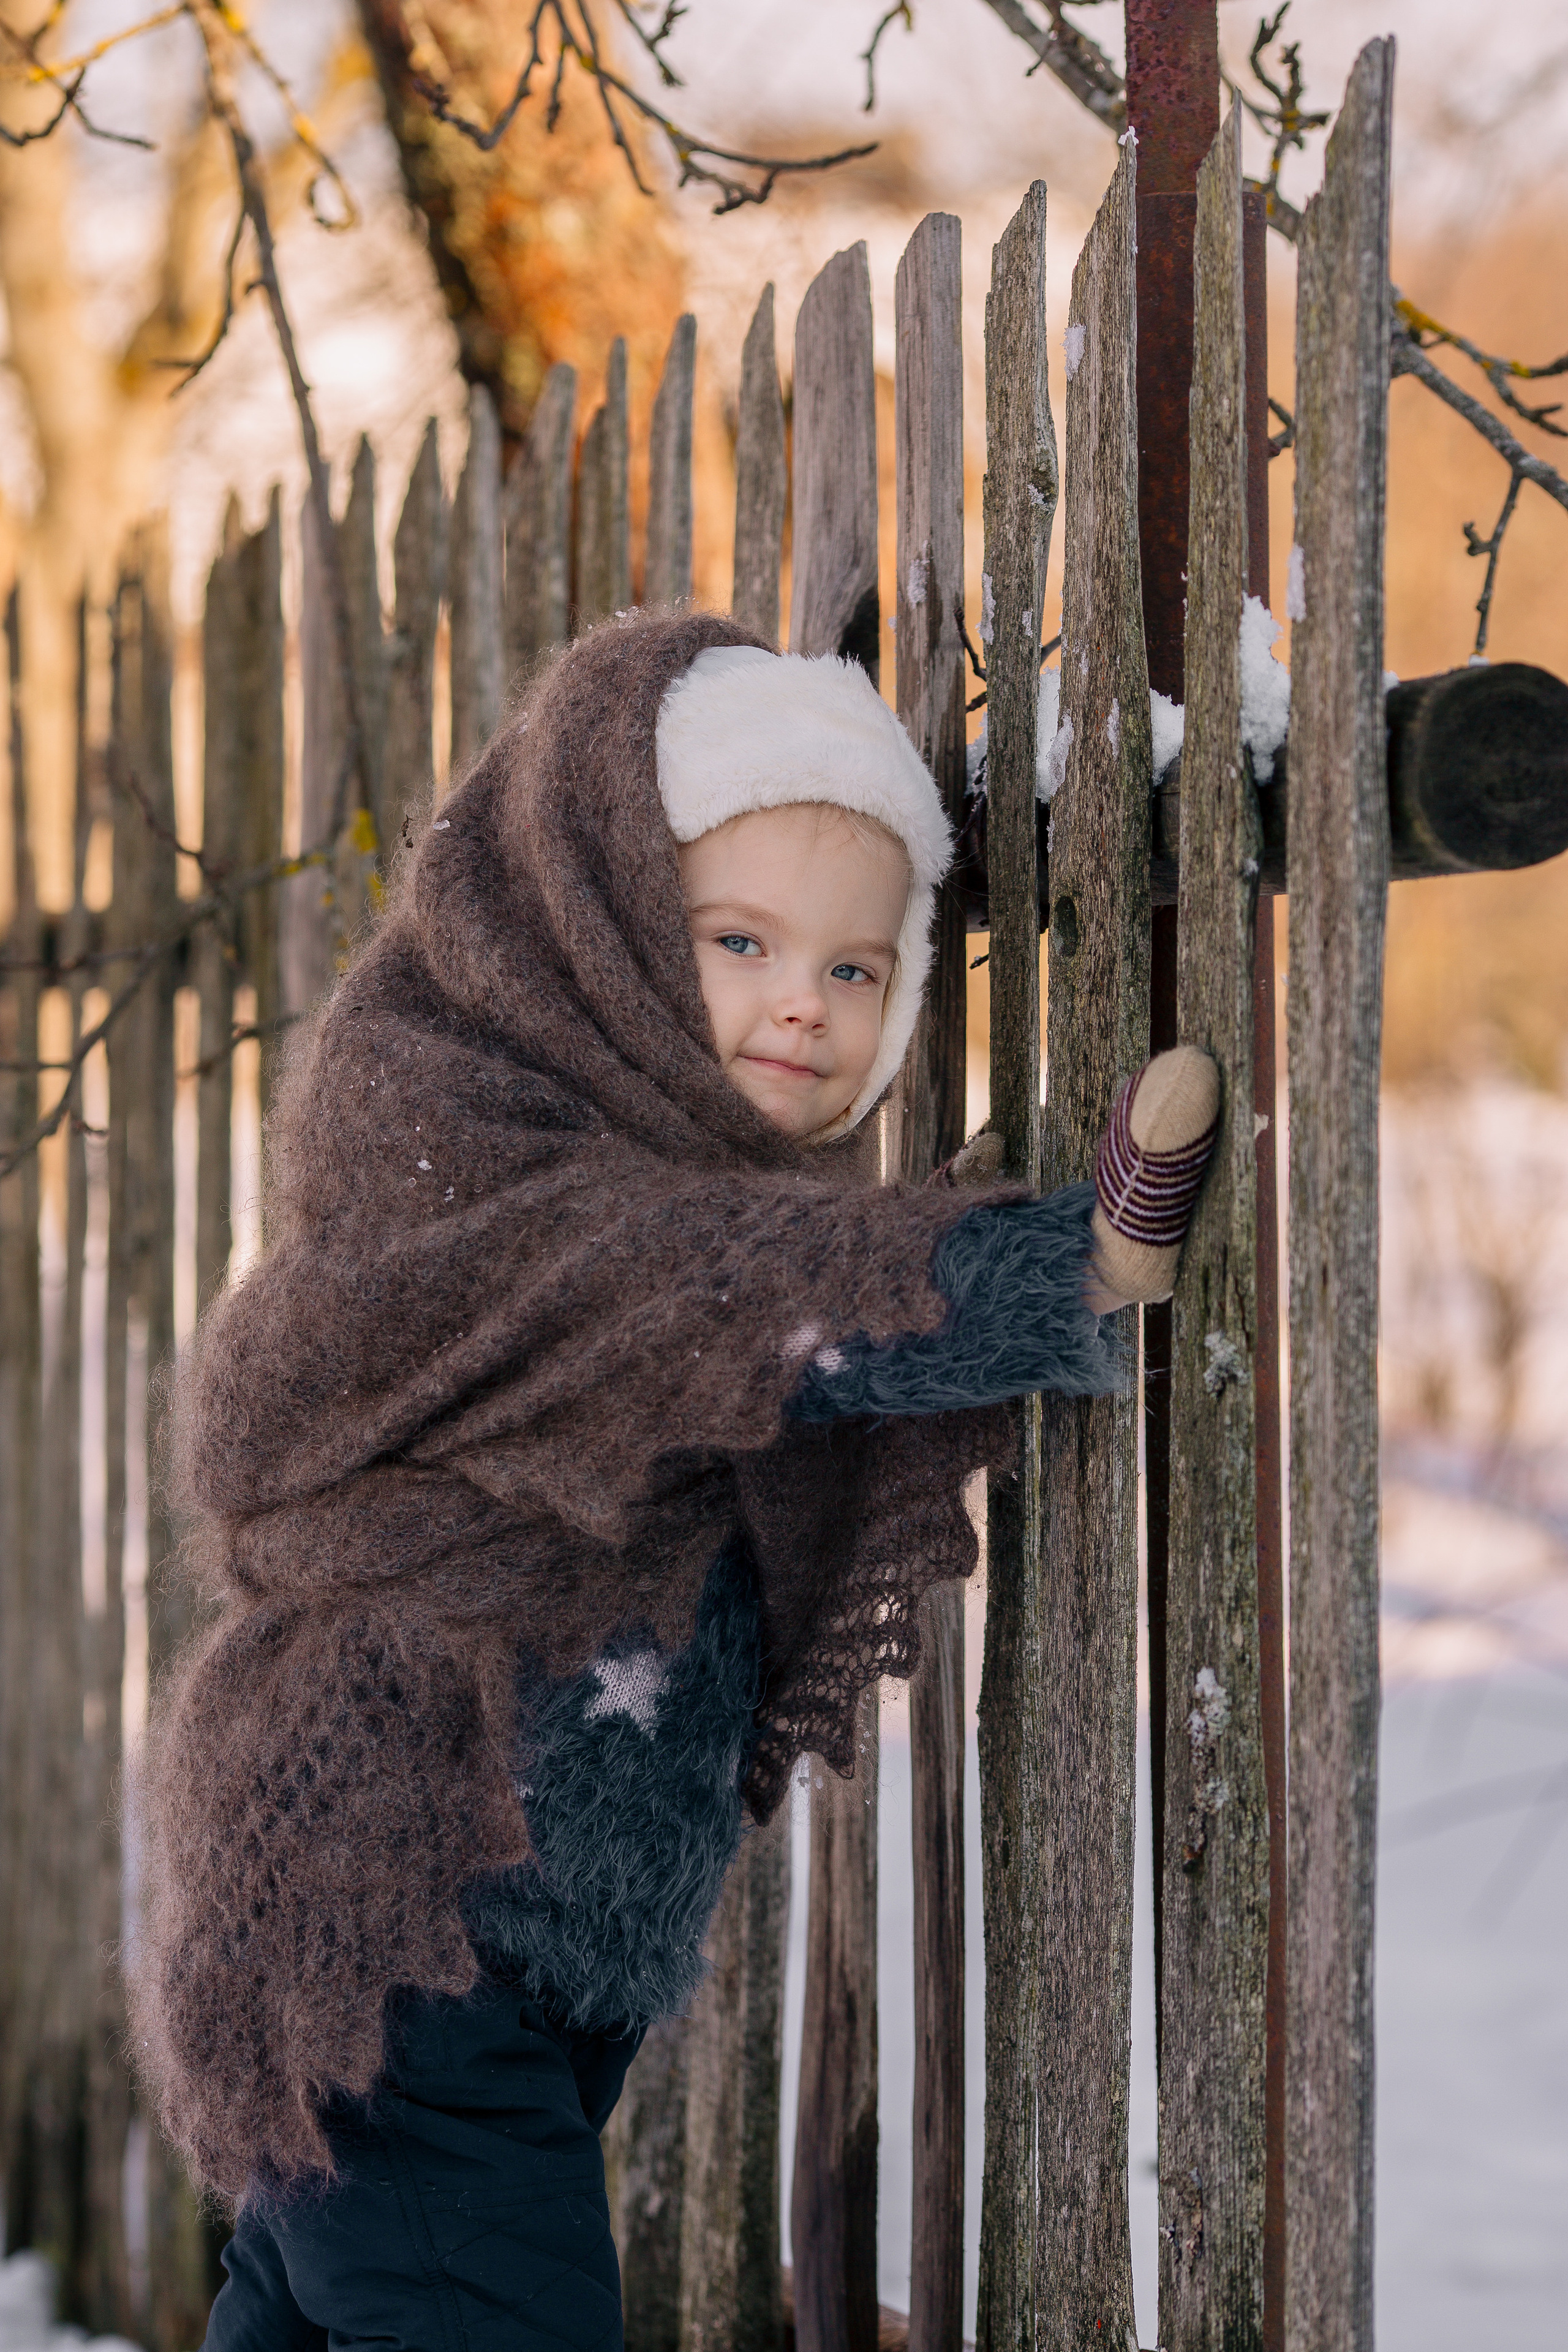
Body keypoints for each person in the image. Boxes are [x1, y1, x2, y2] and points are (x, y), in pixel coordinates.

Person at [135, 608, 1216, 2352]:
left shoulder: (672, 1216)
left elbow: (754, 1299)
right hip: (399, 1944)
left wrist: (893, 1238)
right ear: (604, 932)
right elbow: (742, 1301)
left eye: (857, 970)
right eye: (739, 940)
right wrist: (1061, 1264)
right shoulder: (496, 1176)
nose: (804, 997)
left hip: (507, 1958)